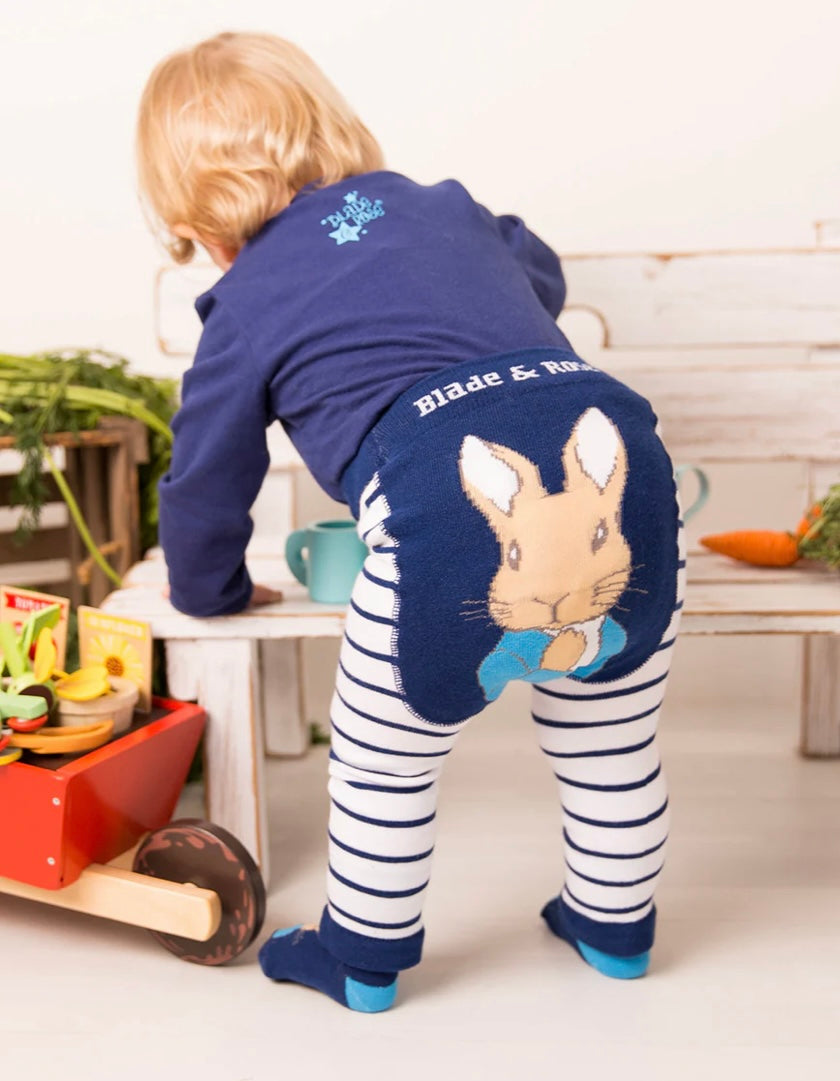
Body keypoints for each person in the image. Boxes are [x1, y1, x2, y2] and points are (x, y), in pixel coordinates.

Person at [136, 31, 683, 1013]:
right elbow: (542, 272)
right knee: (611, 736)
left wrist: (207, 588)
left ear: (201, 223)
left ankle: (363, 953)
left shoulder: (246, 301)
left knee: (384, 756)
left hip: (450, 488)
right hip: (620, 454)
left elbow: (207, 478)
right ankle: (615, 925)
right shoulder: (446, 207)